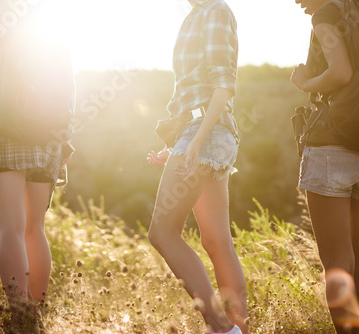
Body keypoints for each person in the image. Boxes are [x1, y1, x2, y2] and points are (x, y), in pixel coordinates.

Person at [0, 0, 74, 328]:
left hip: (6, 128)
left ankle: (20, 318)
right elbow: (67, 73)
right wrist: (64, 130)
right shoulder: (44, 9)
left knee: (12, 228)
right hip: (49, 130)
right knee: (34, 228)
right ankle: (36, 318)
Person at [147, 0, 247, 333]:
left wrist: (195, 141)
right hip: (201, 132)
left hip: (207, 132)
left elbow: (223, 84)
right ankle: (238, 329)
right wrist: (176, 145)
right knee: (216, 240)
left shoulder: (215, 11)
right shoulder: (197, 14)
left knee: (162, 231)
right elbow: (195, 93)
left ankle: (221, 327)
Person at [290, 0, 359, 333]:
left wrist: (305, 83)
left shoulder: (327, 14)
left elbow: (341, 72)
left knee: (337, 265)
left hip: (333, 149)